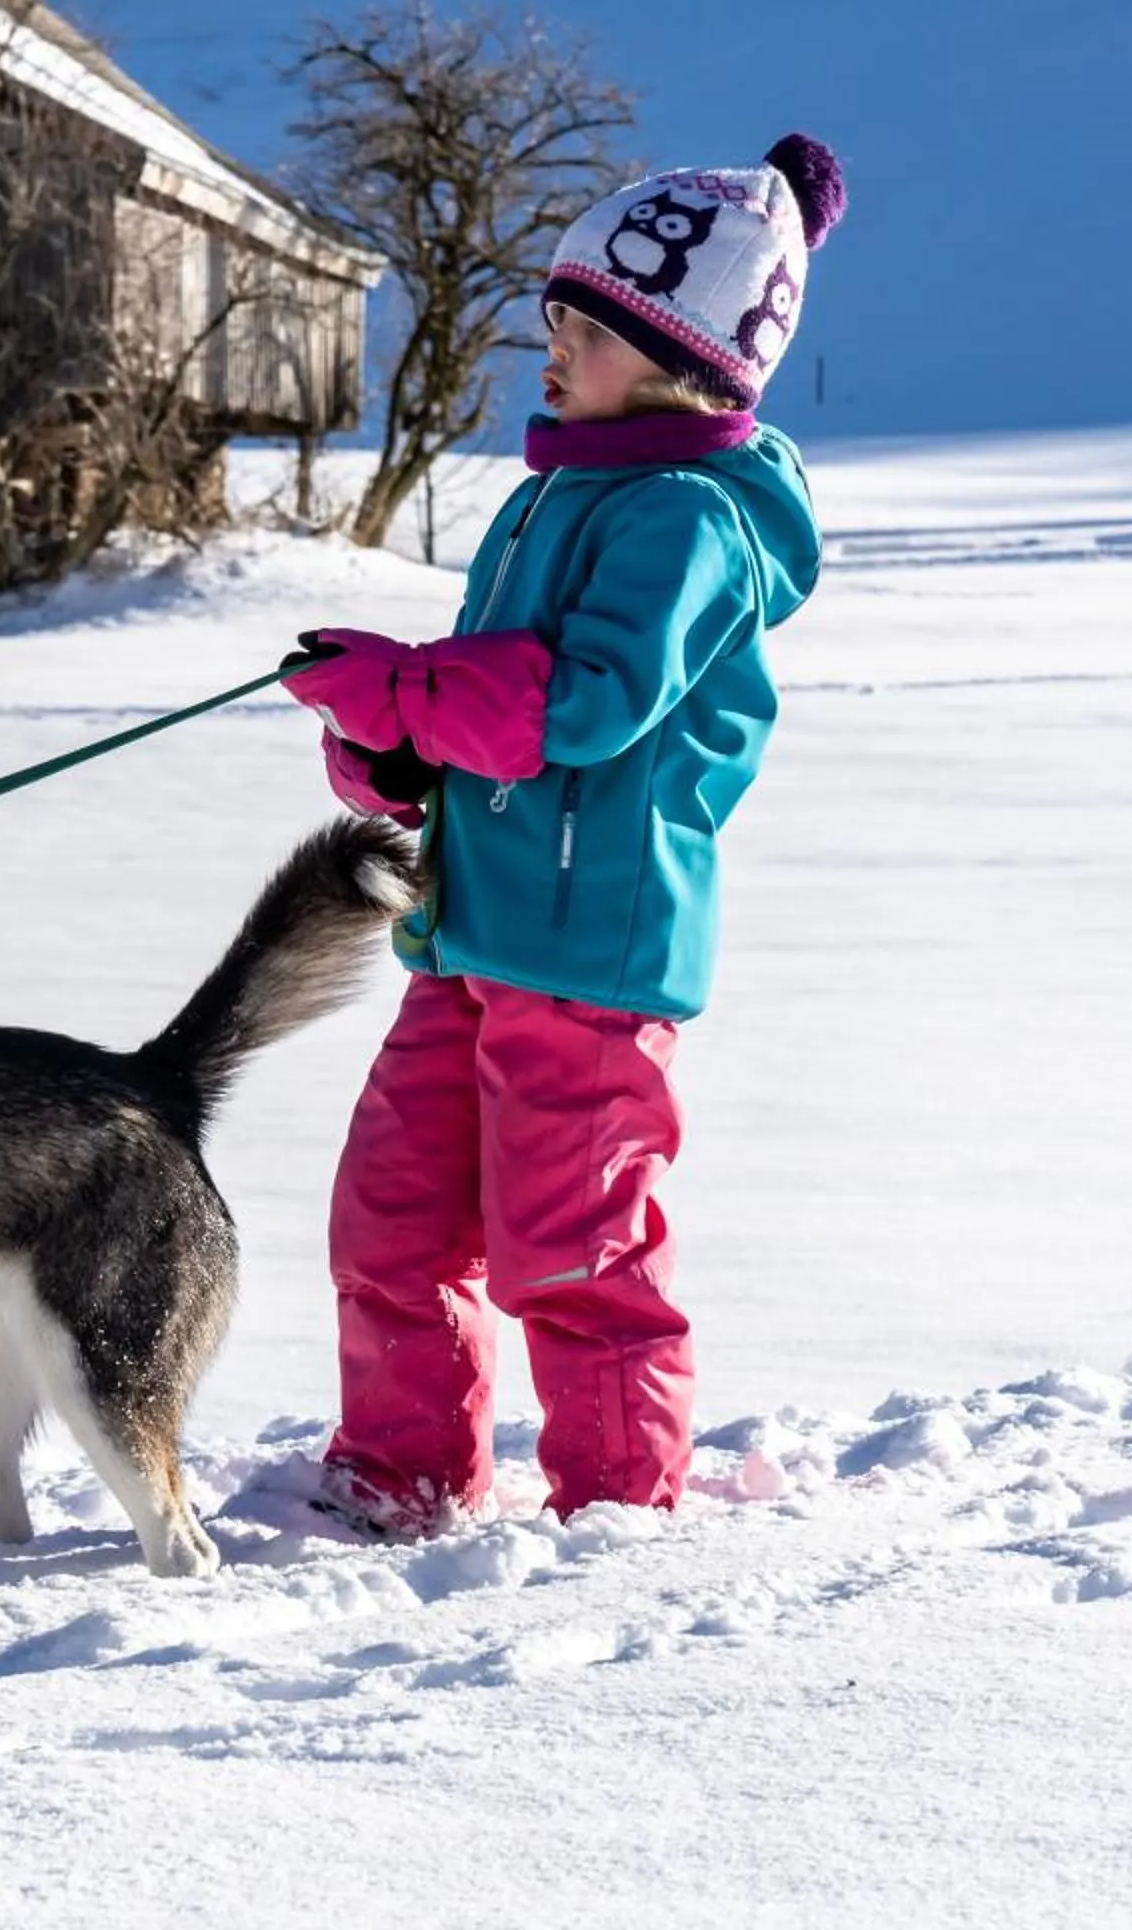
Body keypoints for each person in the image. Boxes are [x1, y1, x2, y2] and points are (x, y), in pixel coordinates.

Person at [280, 134, 846, 1534]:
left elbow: (585, 705)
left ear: (686, 359)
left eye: (582, 331)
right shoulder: (550, 496)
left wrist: (410, 686)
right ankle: (400, 1475)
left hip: (591, 958)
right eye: (553, 322)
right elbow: (491, 723)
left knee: (571, 1250)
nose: (550, 353)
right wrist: (395, 748)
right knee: (391, 1225)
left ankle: (615, 1512)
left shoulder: (691, 519)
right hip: (470, 932)